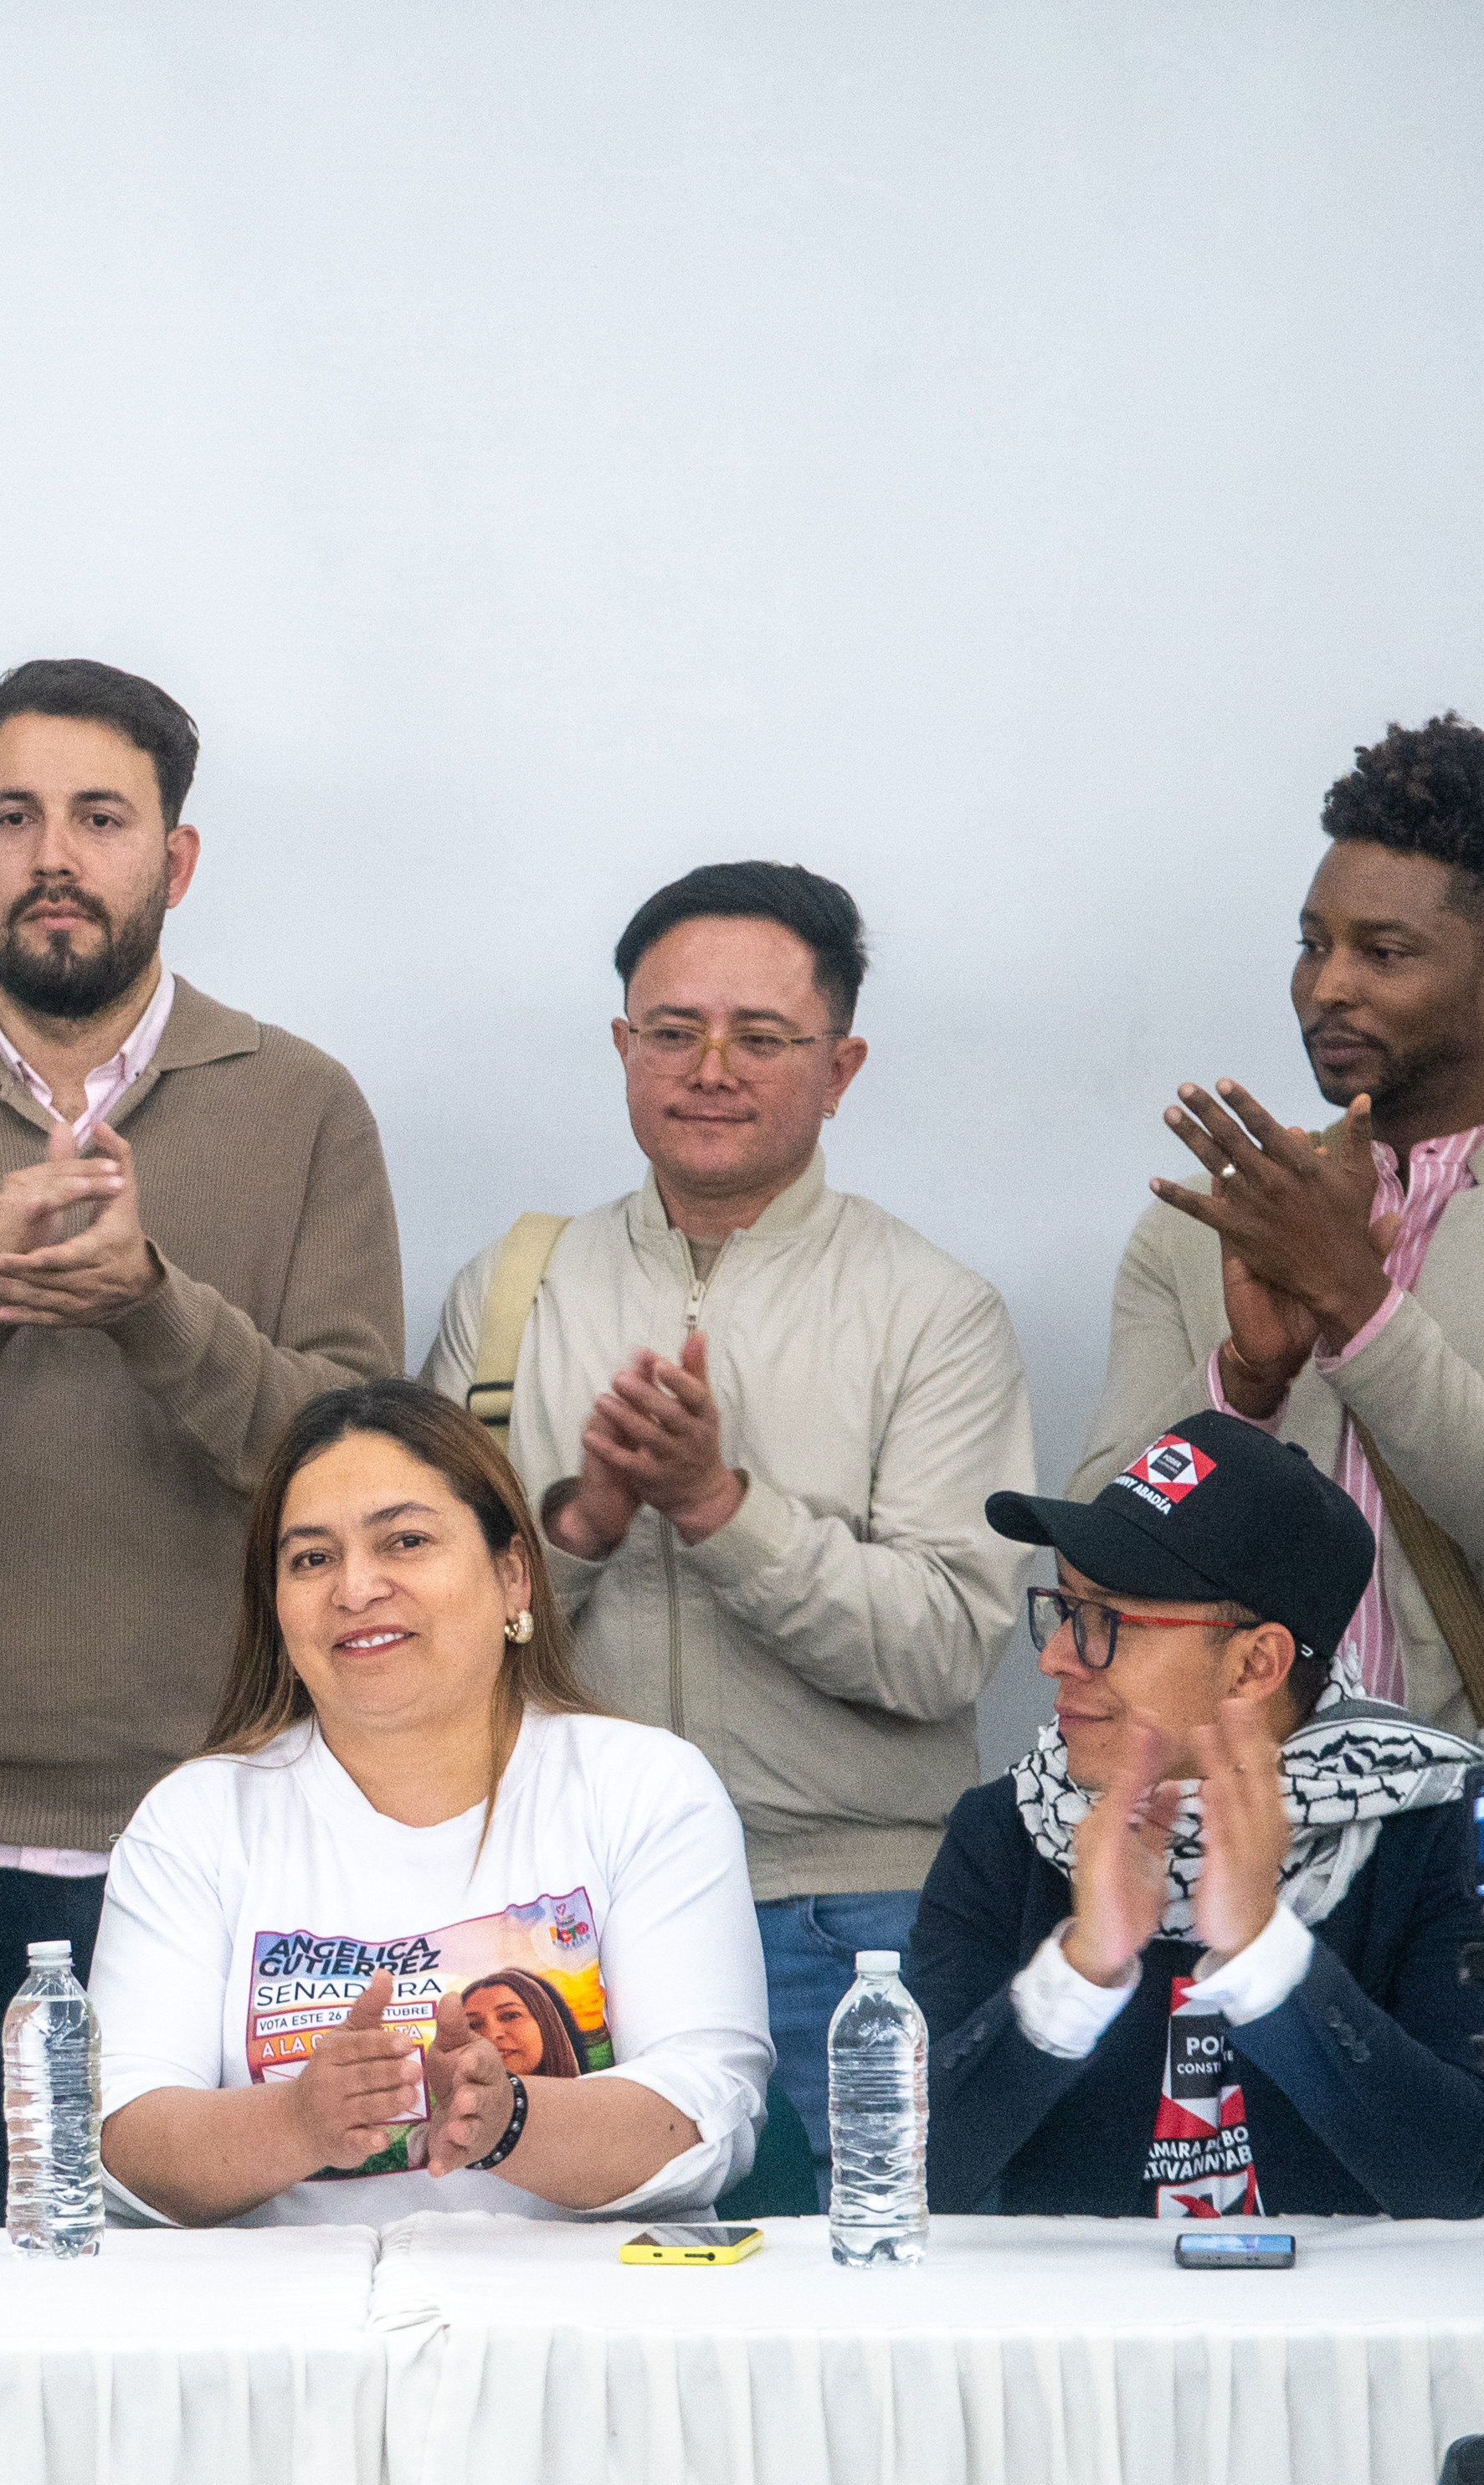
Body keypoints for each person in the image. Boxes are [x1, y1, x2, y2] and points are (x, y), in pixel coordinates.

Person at [0, 658, 402, 2226]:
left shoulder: (301, 1106)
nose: (53, 854)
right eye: (12, 816)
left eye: (98, 817)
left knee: (232, 2323)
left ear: (171, 859)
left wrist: (152, 1308)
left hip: (230, 1827)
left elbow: (359, 1488)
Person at [419, 860, 1031, 2165]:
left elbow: (939, 1647)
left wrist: (716, 1507)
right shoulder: (513, 1287)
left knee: (861, 2306)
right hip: (552, 1925)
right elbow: (422, 1638)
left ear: (842, 1064)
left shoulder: (934, 1309)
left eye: (761, 1037)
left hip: (845, 1915)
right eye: (671, 1030)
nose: (710, 1066)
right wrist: (577, 1526)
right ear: (620, 1044)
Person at [1084, 716, 1484, 1753]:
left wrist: (1356, 1303)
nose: (1327, 985)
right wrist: (1243, 1383)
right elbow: (1092, 1550)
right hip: (1233, 1825)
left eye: (1382, 951)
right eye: (1312, 943)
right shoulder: (1197, 1223)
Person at [95, 1379, 772, 2227]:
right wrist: (298, 2120)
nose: (356, 1586)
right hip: (281, 2342)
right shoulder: (194, 1817)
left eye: (405, 1539)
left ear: (512, 1574)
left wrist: (508, 2117)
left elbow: (707, 2112)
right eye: (310, 1557)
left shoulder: (645, 1786)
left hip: (586, 2331)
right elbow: (119, 2132)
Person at [913, 1412, 1484, 2217]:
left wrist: (1266, 1952)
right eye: (1064, 1607)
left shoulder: (1441, 1828)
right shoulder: (1009, 1828)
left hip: (1352, 2334)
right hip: (1086, 2337)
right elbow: (906, 2177)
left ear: (1256, 1663)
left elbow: (1471, 2182)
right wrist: (1080, 1970)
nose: (1053, 1656)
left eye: (1105, 1620)